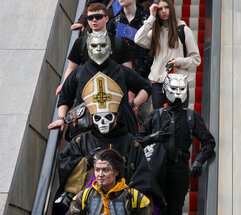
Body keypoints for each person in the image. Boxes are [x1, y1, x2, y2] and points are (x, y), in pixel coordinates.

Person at [55, 72, 162, 213]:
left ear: (116, 117)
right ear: (92, 117)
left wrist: (130, 195)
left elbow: (144, 178)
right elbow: (65, 168)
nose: (103, 122)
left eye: (108, 117)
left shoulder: (131, 143)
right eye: (99, 118)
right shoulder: (81, 141)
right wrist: (86, 162)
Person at [137, 74, 215, 215]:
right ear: (165, 89)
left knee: (175, 208)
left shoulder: (191, 116)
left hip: (180, 167)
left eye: (181, 88)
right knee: (157, 208)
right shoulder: (156, 115)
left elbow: (209, 141)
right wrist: (153, 137)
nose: (178, 92)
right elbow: (138, 141)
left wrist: (199, 161)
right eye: (174, 88)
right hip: (157, 166)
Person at [48, 31, 150, 135]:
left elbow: (146, 87)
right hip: (88, 131)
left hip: (121, 128)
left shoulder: (121, 71)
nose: (98, 48)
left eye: (102, 45)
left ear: (109, 47)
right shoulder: (78, 73)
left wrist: (134, 104)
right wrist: (61, 118)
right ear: (88, 47)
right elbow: (65, 98)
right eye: (94, 45)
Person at [134, 0, 201, 109]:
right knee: (160, 121)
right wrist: (151, 17)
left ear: (171, 8)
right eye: (160, 9)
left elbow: (196, 59)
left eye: (166, 7)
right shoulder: (156, 32)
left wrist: (178, 62)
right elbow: (138, 39)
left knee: (178, 122)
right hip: (158, 84)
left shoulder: (183, 30)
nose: (164, 11)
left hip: (178, 84)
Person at [56, 3, 132, 95]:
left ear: (106, 18)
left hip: (115, 92)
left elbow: (128, 71)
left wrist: (130, 94)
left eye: (98, 17)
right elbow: (71, 68)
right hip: (87, 92)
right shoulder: (80, 42)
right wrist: (64, 84)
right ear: (87, 21)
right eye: (90, 18)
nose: (94, 20)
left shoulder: (119, 42)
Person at [107, 0, 154, 126]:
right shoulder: (114, 23)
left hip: (144, 76)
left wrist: (139, 73)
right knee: (121, 117)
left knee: (145, 118)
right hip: (120, 78)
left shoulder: (147, 20)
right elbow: (110, 52)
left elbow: (154, 49)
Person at [67, 149, 152, 215]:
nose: (100, 174)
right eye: (97, 170)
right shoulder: (83, 196)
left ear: (117, 172)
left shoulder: (135, 198)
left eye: (105, 170)